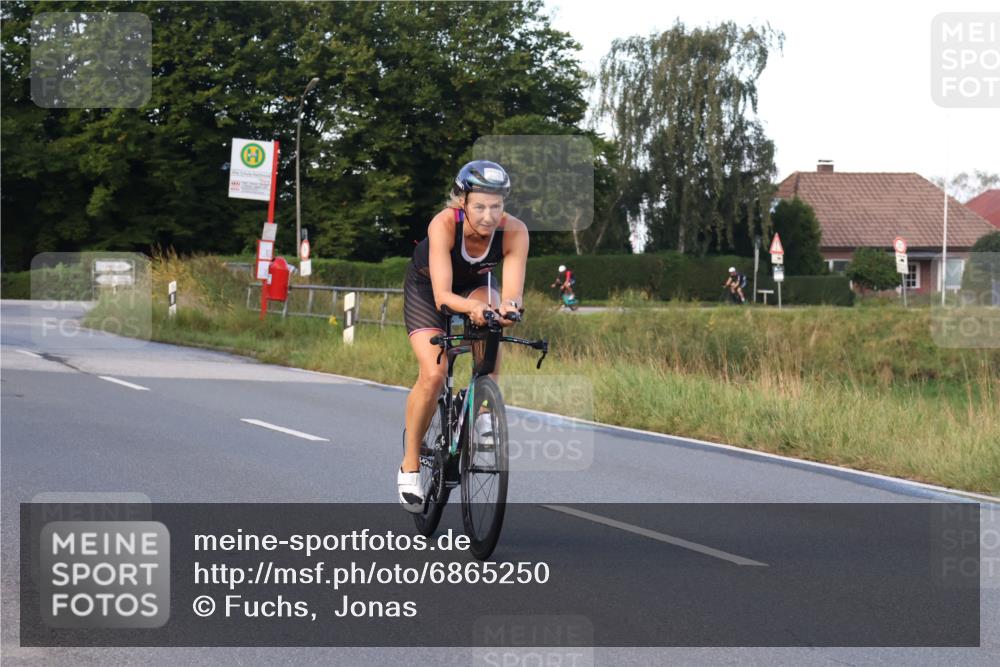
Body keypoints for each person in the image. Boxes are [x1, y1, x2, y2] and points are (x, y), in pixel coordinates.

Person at [398, 160, 529, 512]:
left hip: (476, 286)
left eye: (497, 206)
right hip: (429, 289)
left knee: (494, 321)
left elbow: (513, 292)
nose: (489, 216)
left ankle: (483, 411)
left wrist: (509, 309)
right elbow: (443, 296)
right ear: (462, 202)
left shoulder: (515, 231)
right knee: (434, 373)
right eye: (480, 206)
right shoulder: (443, 224)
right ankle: (410, 463)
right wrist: (470, 311)